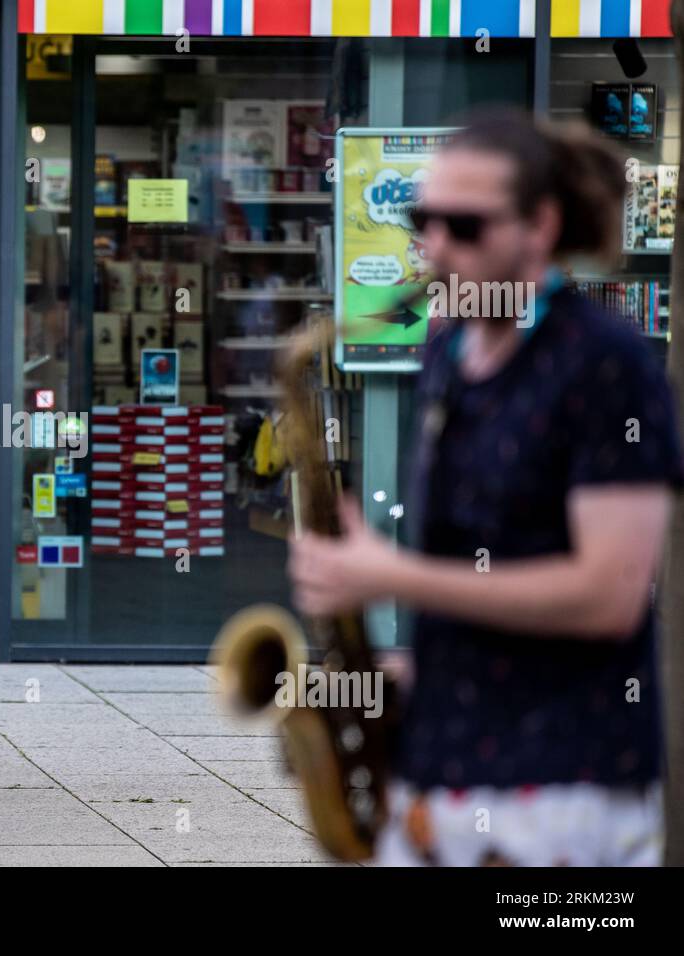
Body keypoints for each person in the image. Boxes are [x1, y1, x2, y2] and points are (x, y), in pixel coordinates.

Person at [289, 108, 684, 866]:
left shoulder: (607, 364)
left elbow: (609, 595)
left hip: (563, 786)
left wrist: (392, 575)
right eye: (425, 220)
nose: (435, 246)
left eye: (465, 227)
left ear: (539, 225)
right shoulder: (448, 348)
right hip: (440, 766)